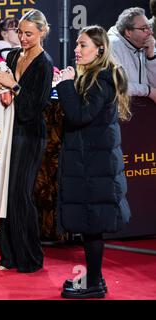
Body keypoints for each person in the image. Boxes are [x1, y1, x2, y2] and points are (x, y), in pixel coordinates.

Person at [56, 25, 131, 299]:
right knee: (90, 226)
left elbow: (79, 115)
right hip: (91, 163)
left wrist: (64, 84)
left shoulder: (101, 78)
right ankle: (94, 279)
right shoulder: (98, 76)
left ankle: (95, 284)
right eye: (77, 44)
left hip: (94, 166)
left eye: (83, 45)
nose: (77, 49)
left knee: (93, 225)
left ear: (100, 49)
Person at [0, 9, 53, 273]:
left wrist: (13, 85)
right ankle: (9, 255)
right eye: (20, 32)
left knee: (20, 194)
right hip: (8, 131)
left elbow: (34, 107)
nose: (23, 38)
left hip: (29, 135)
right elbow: (4, 90)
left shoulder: (44, 63)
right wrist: (3, 89)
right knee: (5, 193)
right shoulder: (15, 54)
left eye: (29, 33)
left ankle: (30, 257)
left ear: (42, 32)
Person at [108, 7, 156, 103]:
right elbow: (115, 85)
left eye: (150, 27)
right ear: (128, 32)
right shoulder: (111, 45)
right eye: (144, 29)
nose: (151, 33)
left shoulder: (148, 44)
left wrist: (151, 57)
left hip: (144, 108)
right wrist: (148, 90)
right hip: (119, 110)